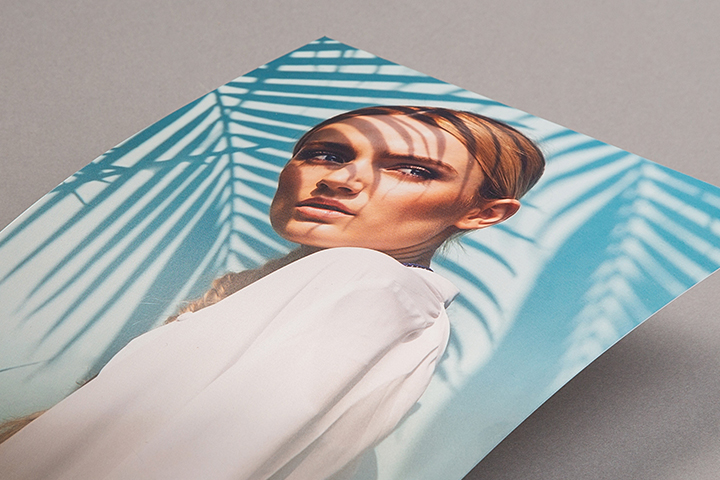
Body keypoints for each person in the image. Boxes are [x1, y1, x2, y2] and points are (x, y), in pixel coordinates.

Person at [0, 105, 545, 479]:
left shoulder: (365, 279)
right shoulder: (375, 295)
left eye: (412, 170)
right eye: (327, 154)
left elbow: (199, 459)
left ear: (484, 213)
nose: (339, 179)